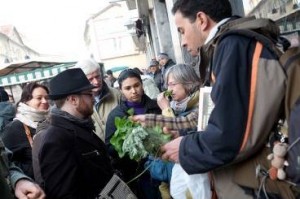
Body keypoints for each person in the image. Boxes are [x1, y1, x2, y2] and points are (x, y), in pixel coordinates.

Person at [133, 0, 285, 198]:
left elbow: (230, 135)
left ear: (201, 20)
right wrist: (158, 122)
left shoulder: (233, 46)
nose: (183, 41)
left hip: (258, 184)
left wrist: (185, 148)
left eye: (181, 30)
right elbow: (212, 115)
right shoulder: (228, 46)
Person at [34, 68, 114, 198]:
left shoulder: (82, 126)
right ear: (73, 100)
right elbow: (64, 194)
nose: (93, 98)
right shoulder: (56, 140)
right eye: (89, 94)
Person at [105, 69, 162, 199]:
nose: (133, 91)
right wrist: (130, 144)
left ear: (142, 85)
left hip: (161, 165)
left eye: (136, 85)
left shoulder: (156, 106)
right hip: (136, 174)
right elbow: (109, 147)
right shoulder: (116, 115)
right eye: (128, 88)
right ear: (121, 90)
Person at [156, 64, 210, 199]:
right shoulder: (177, 106)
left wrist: (165, 109)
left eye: (173, 84)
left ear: (188, 82)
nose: (169, 89)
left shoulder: (201, 106)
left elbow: (174, 135)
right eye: (167, 85)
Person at [2, 82, 49, 179]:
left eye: (47, 98)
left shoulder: (51, 121)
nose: (45, 101)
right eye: (39, 98)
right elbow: (7, 163)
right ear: (26, 100)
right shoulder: (14, 128)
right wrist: (36, 167)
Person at [74, 58, 121, 141]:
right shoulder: (77, 103)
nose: (96, 82)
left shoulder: (117, 95)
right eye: (90, 79)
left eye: (97, 76)